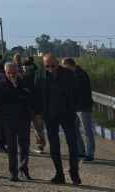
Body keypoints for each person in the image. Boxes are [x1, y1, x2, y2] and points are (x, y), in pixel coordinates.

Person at [35, 53, 82, 185]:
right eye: (47, 66)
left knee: (73, 145)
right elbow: (37, 95)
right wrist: (38, 113)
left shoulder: (68, 74)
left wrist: (75, 109)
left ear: (57, 63)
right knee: (54, 147)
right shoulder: (40, 75)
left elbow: (77, 92)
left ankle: (74, 172)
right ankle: (59, 174)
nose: (50, 68)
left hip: (67, 114)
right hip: (50, 116)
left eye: (53, 65)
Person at [0, 62, 34, 182]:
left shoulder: (24, 82)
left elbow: (30, 98)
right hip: (8, 120)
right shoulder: (0, 84)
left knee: (24, 146)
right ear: (5, 72)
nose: (12, 75)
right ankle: (13, 172)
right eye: (9, 73)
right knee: (11, 147)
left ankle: (24, 169)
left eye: (14, 72)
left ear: (17, 71)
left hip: (24, 118)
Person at [63, 57, 96, 162]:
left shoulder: (80, 75)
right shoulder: (73, 74)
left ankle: (90, 154)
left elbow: (77, 91)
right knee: (75, 129)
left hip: (84, 107)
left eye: (64, 66)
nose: (63, 68)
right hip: (76, 107)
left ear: (69, 65)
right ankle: (81, 151)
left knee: (86, 131)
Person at [22, 56, 48, 154]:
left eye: (24, 67)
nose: (23, 68)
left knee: (33, 128)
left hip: (31, 106)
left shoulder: (25, 77)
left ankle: (36, 145)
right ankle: (41, 146)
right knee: (39, 128)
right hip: (39, 106)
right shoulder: (40, 74)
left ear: (28, 67)